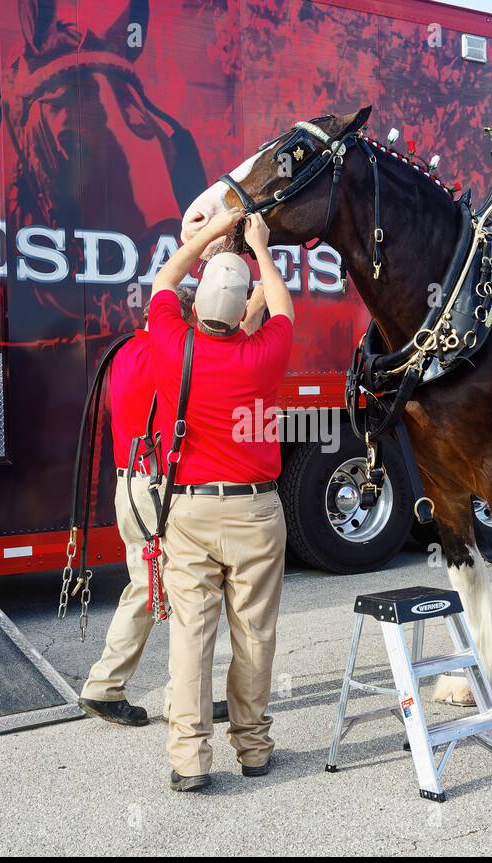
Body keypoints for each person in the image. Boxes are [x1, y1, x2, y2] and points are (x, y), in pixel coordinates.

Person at [148, 207, 293, 792]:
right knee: (254, 634)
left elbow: (163, 281)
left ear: (195, 303)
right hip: (256, 512)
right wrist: (259, 246)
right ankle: (253, 748)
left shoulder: (170, 342)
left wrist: (209, 234)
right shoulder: (261, 355)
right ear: (243, 316)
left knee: (191, 636)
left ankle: (189, 758)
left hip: (189, 509)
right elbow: (280, 306)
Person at [78, 287, 230, 728]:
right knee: (184, 592)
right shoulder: (166, 356)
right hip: (156, 488)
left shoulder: (124, 352)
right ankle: (146, 693)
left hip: (129, 484)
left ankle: (116, 687)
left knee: (147, 588)